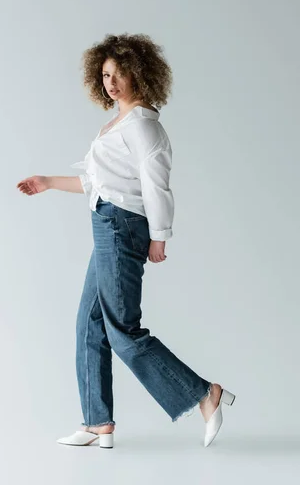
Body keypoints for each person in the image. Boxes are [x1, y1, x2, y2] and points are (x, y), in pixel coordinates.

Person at [16, 33, 235, 449]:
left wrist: (160, 236)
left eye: (119, 74)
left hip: (122, 226)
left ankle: (205, 394)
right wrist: (46, 182)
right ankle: (97, 421)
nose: (111, 82)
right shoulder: (115, 124)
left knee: (122, 331)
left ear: (140, 73)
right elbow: (97, 182)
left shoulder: (143, 126)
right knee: (89, 325)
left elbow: (156, 185)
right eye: (104, 75)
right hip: (107, 222)